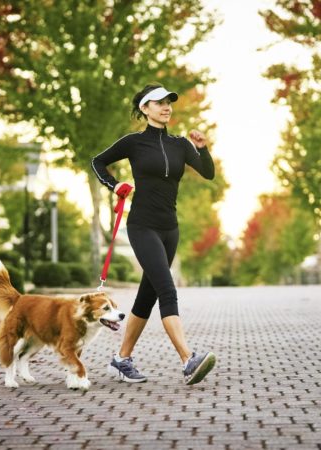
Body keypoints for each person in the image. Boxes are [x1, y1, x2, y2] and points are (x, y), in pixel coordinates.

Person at [91, 83, 216, 385]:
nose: (166, 107)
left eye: (169, 102)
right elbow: (97, 162)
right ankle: (188, 360)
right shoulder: (134, 143)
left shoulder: (180, 144)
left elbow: (208, 173)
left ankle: (121, 360)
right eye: (158, 103)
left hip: (169, 230)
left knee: (147, 297)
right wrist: (115, 185)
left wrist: (202, 148)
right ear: (145, 109)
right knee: (167, 290)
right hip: (142, 226)